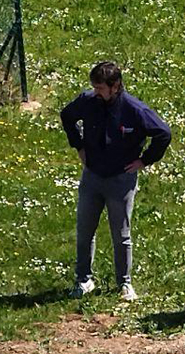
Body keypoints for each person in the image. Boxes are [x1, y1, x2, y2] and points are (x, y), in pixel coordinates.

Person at [59, 60, 172, 302]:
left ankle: (124, 283)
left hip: (121, 180)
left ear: (115, 85)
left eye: (100, 88)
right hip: (92, 176)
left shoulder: (134, 110)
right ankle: (83, 280)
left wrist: (144, 161)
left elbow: (163, 133)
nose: (96, 92)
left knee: (121, 235)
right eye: (94, 87)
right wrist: (78, 146)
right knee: (84, 230)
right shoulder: (88, 102)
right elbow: (67, 116)